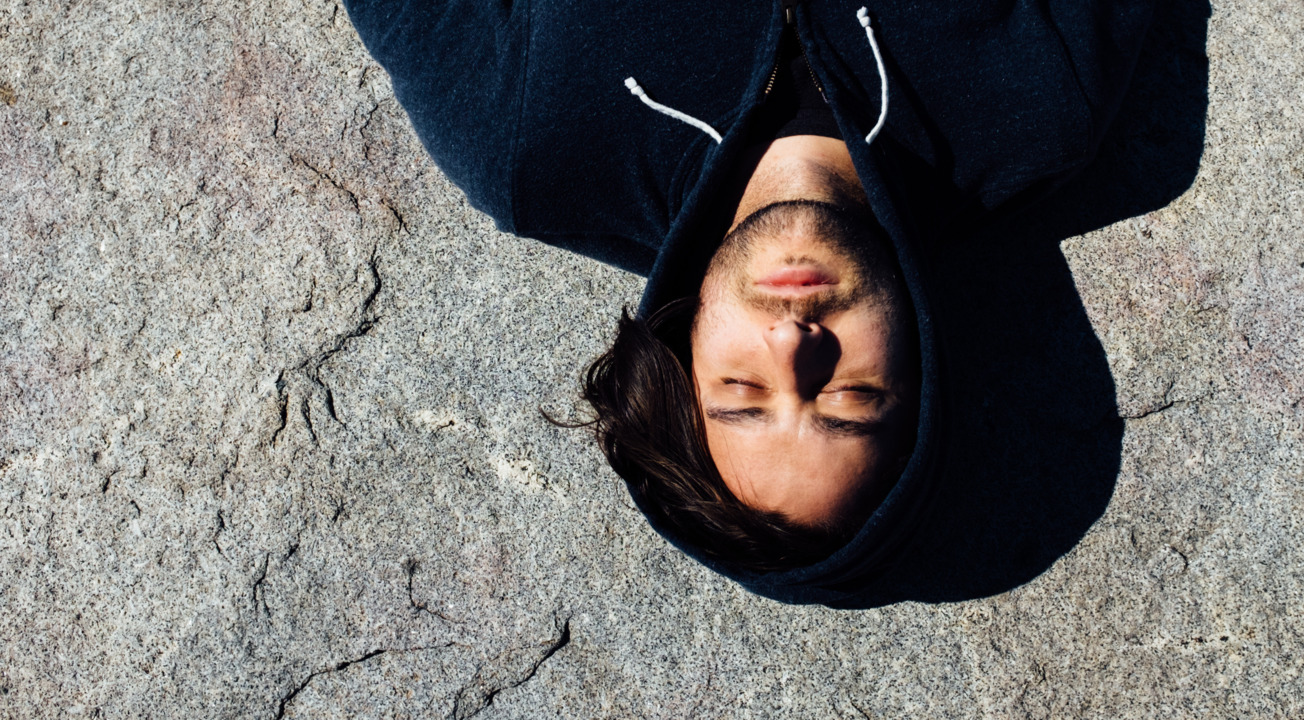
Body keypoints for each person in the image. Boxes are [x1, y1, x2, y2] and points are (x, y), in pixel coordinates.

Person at [342, 0, 1154, 603]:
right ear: (924, 367)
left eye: (741, 393)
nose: (794, 345)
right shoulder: (1043, 101)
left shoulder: (532, 152)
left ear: (681, 363)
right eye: (850, 395)